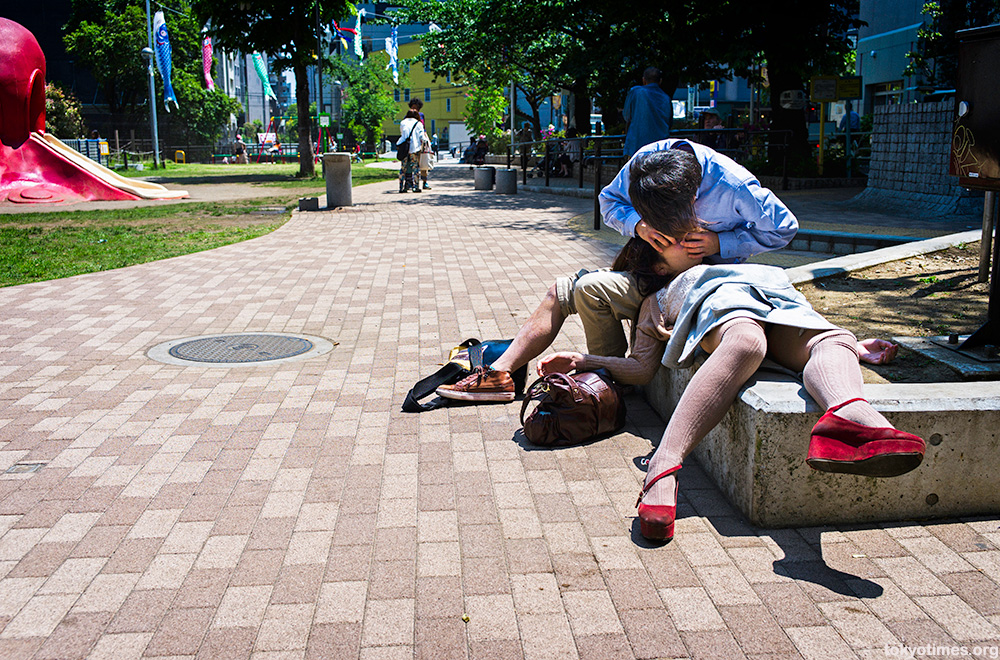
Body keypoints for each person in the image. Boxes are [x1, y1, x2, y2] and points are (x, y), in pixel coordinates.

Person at [534, 234, 922, 542]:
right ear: (656, 264)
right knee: (746, 340)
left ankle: (853, 418)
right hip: (726, 310)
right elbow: (640, 368)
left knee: (834, 339)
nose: (688, 238)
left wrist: (856, 346)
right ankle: (662, 467)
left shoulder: (727, 260)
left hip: (778, 300)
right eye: (669, 241)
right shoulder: (655, 299)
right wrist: (585, 361)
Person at [436, 144, 799, 401]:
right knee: (565, 289)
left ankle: (602, 382)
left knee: (589, 288)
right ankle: (508, 375)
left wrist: (720, 243)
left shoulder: (732, 186)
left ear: (693, 198)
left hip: (701, 282)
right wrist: (638, 225)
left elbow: (784, 228)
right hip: (652, 270)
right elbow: (609, 202)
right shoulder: (645, 165)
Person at [623, 67, 674, 157]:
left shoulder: (636, 92)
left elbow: (627, 116)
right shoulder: (666, 98)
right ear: (660, 81)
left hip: (636, 148)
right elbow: (670, 123)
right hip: (660, 150)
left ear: (643, 80)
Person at [397, 109, 427, 193]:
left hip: (404, 148)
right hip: (414, 148)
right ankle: (416, 186)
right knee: (415, 168)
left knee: (403, 168)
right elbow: (421, 135)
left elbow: (402, 134)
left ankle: (401, 187)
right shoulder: (419, 124)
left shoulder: (403, 122)